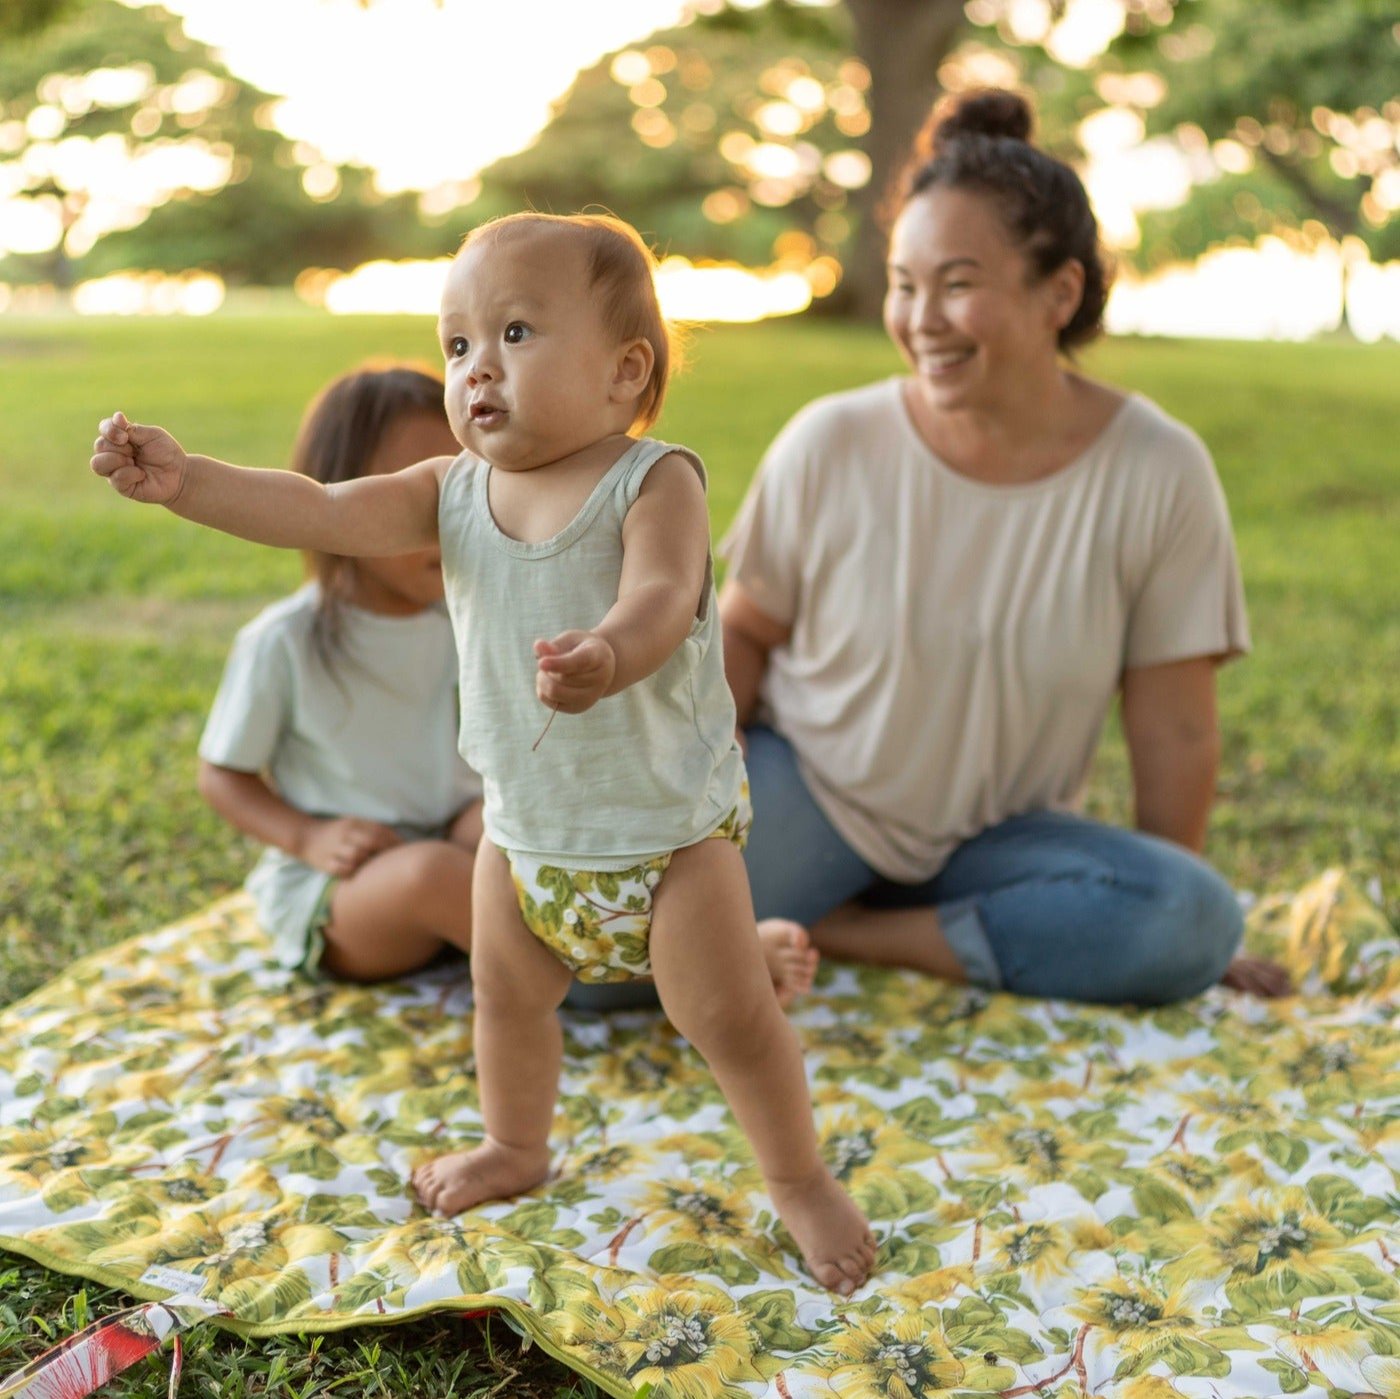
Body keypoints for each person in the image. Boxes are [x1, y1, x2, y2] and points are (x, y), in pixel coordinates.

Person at [90, 212, 875, 1295]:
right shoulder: (448, 491)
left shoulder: (652, 482)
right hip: (521, 836)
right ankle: (516, 1142)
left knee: (729, 1021)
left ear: (622, 371)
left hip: (663, 840)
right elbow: (316, 504)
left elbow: (660, 592)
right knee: (507, 1002)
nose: (474, 371)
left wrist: (610, 648)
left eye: (513, 333)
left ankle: (795, 1178)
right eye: (456, 345)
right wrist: (191, 483)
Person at [719, 89, 1290, 1006]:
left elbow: (1175, 721)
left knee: (1189, 918)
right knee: (598, 973)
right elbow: (741, 633)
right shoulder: (830, 441)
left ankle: (846, 933)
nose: (921, 318)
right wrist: (703, 800)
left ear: (1058, 291)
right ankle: (856, 916)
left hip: (995, 845)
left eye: (957, 284)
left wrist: (1157, 896)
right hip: (816, 796)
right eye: (905, 286)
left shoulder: (1158, 469)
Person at [197, 364, 484, 981]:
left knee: (507, 822)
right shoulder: (285, 641)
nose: (449, 521)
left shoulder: (469, 619)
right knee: (431, 875)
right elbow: (223, 774)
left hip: (451, 843)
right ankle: (605, 982)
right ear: (349, 506)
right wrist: (307, 838)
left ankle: (584, 956)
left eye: (461, 489)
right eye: (417, 498)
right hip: (348, 889)